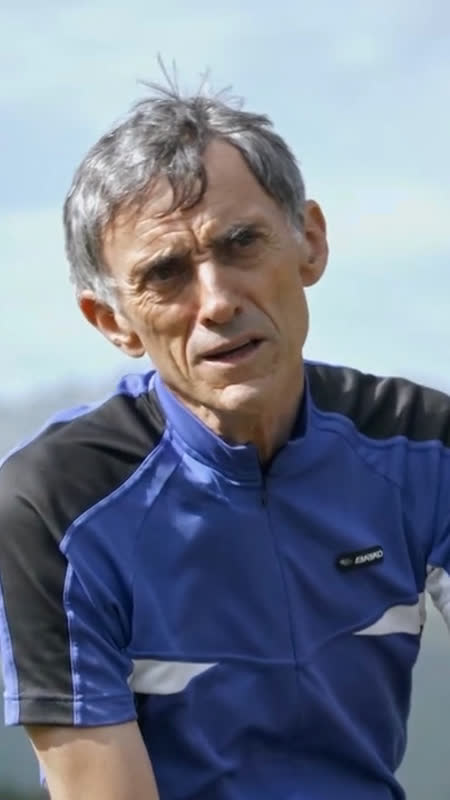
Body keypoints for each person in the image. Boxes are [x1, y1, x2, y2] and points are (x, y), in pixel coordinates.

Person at [0, 78, 449, 800]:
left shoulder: (424, 445)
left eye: (241, 244)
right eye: (165, 273)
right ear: (113, 322)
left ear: (310, 243)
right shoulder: (51, 508)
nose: (215, 301)